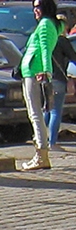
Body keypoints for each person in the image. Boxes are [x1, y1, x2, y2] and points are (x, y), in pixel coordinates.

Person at [18, 0, 59, 170]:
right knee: (35, 113)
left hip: (35, 72)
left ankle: (41, 154)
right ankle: (41, 153)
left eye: (38, 6)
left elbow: (45, 49)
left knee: (35, 114)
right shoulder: (50, 24)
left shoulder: (45, 25)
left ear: (46, 8)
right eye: (33, 6)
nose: (35, 10)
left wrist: (46, 72)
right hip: (31, 70)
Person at [45, 14, 76, 150]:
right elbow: (73, 57)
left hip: (44, 78)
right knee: (56, 111)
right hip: (58, 78)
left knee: (46, 110)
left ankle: (40, 138)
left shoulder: (47, 39)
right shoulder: (62, 41)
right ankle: (52, 142)